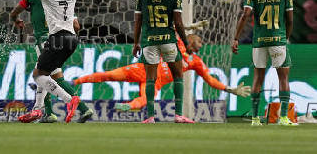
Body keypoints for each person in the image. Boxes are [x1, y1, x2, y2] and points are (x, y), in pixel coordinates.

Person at [0, 0, 121, 123]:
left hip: (55, 38)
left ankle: (67, 102)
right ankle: (42, 109)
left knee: (39, 76)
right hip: (72, 39)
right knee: (46, 74)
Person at [74, 35, 251, 111]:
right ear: (189, 41)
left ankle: (128, 106)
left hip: (156, 82)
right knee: (109, 75)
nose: (200, 44)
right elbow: (172, 26)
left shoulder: (196, 62)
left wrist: (230, 89)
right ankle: (77, 81)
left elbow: (210, 80)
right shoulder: (179, 44)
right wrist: (188, 27)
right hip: (144, 69)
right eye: (197, 41)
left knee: (144, 101)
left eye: (201, 43)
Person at [10, 0, 93, 123]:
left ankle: (45, 110)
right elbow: (77, 26)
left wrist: (16, 20)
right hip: (63, 39)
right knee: (52, 77)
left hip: (45, 39)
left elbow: (15, 11)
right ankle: (65, 110)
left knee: (45, 76)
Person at [233, 0, 297, 126]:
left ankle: (255, 119)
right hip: (278, 39)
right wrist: (286, 37)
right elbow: (290, 20)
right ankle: (283, 118)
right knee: (283, 79)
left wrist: (235, 38)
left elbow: (245, 15)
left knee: (257, 79)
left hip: (259, 40)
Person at [133, 0, 193, 124]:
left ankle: (150, 117)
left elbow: (138, 21)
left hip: (149, 41)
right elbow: (179, 23)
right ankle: (178, 115)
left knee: (150, 79)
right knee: (178, 76)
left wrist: (135, 43)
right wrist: (186, 43)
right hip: (168, 40)